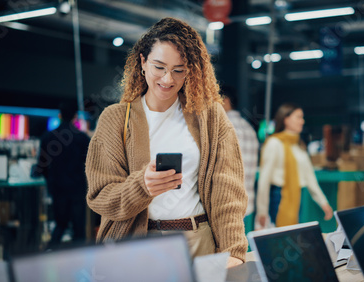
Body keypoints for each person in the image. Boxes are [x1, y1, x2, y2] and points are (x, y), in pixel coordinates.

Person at [85, 17, 248, 267]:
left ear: (190, 71)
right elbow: (101, 197)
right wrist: (142, 186)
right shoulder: (115, 120)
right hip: (137, 247)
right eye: (159, 67)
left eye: (178, 70)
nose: (168, 79)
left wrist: (234, 250)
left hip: (198, 243)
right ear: (142, 62)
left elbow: (227, 190)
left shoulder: (210, 116)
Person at [256, 103, 333, 228]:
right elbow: (264, 179)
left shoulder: (299, 145)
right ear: (286, 119)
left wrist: (323, 203)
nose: (302, 121)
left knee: (294, 234)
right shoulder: (274, 143)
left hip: (297, 196)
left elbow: (310, 178)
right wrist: (262, 211)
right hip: (279, 196)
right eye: (298, 117)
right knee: (281, 235)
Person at [37, 102, 90, 248]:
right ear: (75, 117)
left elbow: (41, 167)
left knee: (60, 225)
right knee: (79, 229)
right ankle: (79, 262)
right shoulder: (82, 138)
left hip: (57, 189)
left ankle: (51, 255)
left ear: (59, 115)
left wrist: (50, 180)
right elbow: (90, 165)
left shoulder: (47, 137)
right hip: (77, 190)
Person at [221, 85, 259, 233]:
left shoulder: (224, 126)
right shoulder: (248, 128)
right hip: (247, 203)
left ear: (225, 100)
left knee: (228, 254)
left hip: (228, 205)